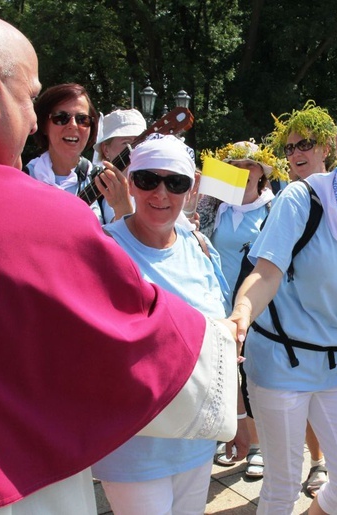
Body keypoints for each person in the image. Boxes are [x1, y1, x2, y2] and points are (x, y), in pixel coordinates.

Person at [0, 3, 242, 514]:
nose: (35, 119)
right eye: (33, 98)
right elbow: (144, 351)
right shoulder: (38, 214)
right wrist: (221, 342)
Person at [230, 99, 337, 515]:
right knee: (282, 488)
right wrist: (239, 315)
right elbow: (266, 272)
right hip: (279, 366)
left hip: (335, 365)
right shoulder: (301, 200)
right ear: (336, 146)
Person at [92, 135, 247, 514]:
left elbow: (221, 346)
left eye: (174, 182)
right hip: (131, 444)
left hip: (195, 438)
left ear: (191, 186)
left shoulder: (200, 249)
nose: (161, 193)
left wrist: (239, 416)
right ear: (130, 182)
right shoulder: (101, 250)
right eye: (147, 179)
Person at [199, 140, 287, 480]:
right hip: (217, 307)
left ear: (261, 174)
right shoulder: (214, 209)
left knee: (253, 379)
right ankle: (231, 435)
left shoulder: (273, 210)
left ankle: (259, 447)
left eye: (248, 166)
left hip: (256, 310)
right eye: (233, 166)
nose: (241, 172)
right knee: (221, 377)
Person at [265, 100, 337, 496]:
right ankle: (316, 464)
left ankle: (326, 463)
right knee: (283, 472)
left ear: (326, 147)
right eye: (290, 148)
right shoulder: (284, 197)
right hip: (290, 337)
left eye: (304, 144)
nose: (295, 154)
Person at [25, 82, 105, 217]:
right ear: (44, 125)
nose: (73, 125)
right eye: (61, 118)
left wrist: (123, 208)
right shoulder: (25, 177)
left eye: (82, 119)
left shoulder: (102, 181)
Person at [91, 108, 147, 223]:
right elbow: (117, 234)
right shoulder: (108, 189)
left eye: (139, 142)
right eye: (126, 143)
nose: (134, 149)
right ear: (106, 150)